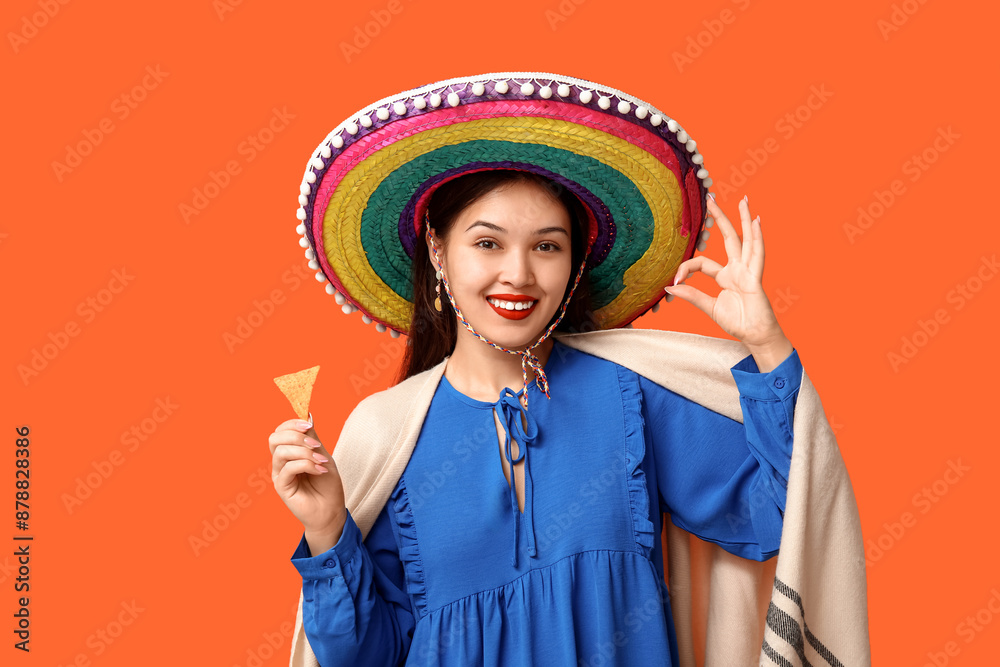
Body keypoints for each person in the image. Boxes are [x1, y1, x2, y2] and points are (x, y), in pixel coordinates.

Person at [269, 73, 869, 666]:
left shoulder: (630, 394)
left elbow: (783, 515)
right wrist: (326, 529)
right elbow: (367, 658)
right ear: (437, 251)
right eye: (487, 243)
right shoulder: (386, 432)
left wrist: (764, 344)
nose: (520, 274)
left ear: (575, 264)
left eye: (547, 246)